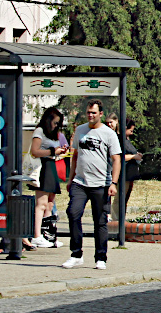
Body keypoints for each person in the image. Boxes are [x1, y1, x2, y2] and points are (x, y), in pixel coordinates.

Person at [62, 99, 122, 270]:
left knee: (100, 221)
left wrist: (113, 182)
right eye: (88, 112)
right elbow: (75, 156)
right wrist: (70, 178)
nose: (90, 115)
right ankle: (76, 254)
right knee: (73, 213)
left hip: (101, 183)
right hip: (80, 182)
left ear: (100, 114)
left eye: (94, 113)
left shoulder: (108, 134)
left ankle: (100, 257)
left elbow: (116, 159)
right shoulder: (80, 130)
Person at [29, 106, 68, 248]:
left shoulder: (53, 134)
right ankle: (36, 235)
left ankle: (48, 235)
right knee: (42, 203)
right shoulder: (39, 131)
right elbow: (35, 151)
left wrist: (59, 151)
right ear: (48, 120)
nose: (56, 126)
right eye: (55, 122)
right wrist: (52, 151)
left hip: (52, 166)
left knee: (50, 203)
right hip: (43, 167)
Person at [106, 113, 143, 199]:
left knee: (125, 198)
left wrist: (136, 155)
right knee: (119, 200)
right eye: (131, 130)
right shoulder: (118, 139)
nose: (131, 133)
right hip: (123, 174)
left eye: (111, 122)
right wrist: (133, 157)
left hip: (129, 174)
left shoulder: (126, 139)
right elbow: (118, 157)